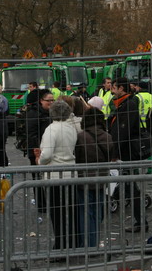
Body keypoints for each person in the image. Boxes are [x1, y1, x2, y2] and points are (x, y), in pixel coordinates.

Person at [34, 100, 77, 251]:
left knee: (57, 213)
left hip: (55, 175)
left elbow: (46, 155)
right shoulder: (71, 128)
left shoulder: (51, 129)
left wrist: (39, 160)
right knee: (70, 211)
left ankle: (60, 244)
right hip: (71, 173)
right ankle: (72, 241)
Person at [109, 77, 148, 232]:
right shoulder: (122, 104)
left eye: (113, 87)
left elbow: (122, 132)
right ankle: (140, 220)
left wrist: (115, 153)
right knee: (128, 184)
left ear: (121, 89)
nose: (111, 90)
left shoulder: (129, 105)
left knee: (131, 187)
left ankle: (141, 222)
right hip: (124, 153)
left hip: (127, 153)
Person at [75, 107, 117, 247]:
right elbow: (110, 157)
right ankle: (95, 239)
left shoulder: (81, 137)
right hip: (101, 179)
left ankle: (88, 243)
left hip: (84, 179)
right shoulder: (108, 137)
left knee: (86, 213)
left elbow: (78, 158)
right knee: (98, 211)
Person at [26, 89, 54, 212]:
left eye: (53, 100)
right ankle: (41, 205)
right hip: (36, 151)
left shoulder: (50, 113)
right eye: (49, 100)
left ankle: (51, 203)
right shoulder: (34, 113)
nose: (51, 102)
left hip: (49, 150)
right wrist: (38, 151)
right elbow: (31, 134)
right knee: (38, 178)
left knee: (50, 177)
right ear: (41, 101)